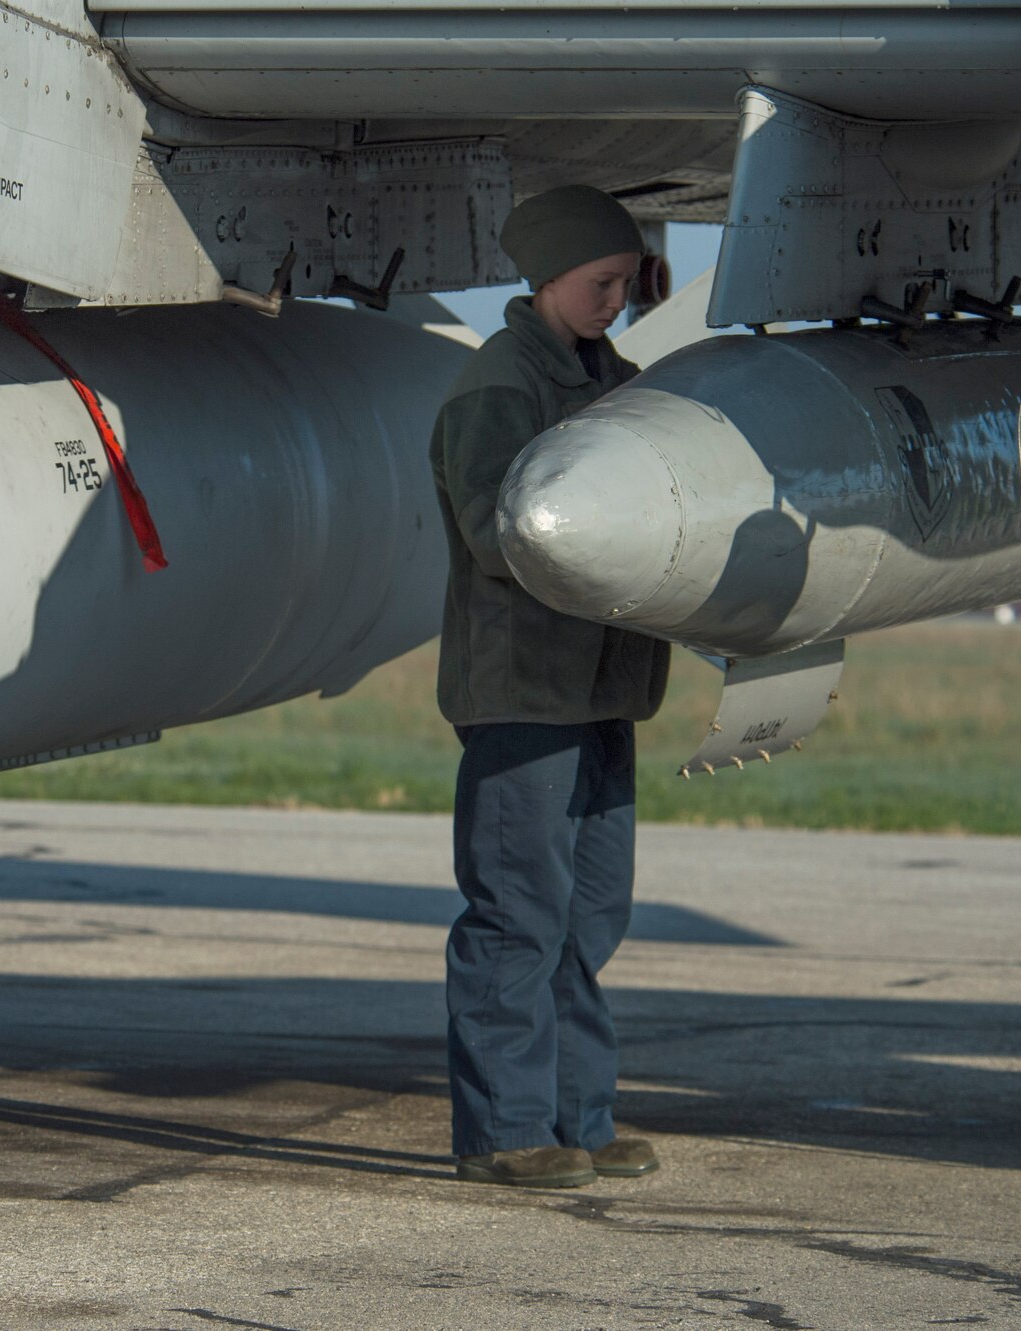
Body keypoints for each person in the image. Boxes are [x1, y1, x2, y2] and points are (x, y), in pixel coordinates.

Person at [428, 185, 671, 1189]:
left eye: (623, 284)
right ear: (546, 278)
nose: (613, 300)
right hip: (523, 694)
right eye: (599, 282)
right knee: (519, 913)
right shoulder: (494, 387)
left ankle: (581, 1116)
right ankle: (502, 1132)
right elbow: (498, 528)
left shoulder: (616, 380)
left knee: (590, 913)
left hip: (603, 689)